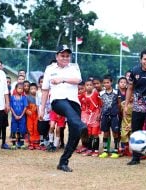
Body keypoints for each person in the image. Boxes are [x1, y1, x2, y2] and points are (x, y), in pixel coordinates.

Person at [39, 44, 88, 172]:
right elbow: (45, 90)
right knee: (68, 111)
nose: (65, 58)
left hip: (74, 102)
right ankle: (81, 125)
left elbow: (78, 80)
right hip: (58, 101)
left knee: (75, 133)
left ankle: (63, 162)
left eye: (67, 56)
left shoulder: (74, 67)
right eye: (62, 55)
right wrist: (42, 108)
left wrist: (62, 79)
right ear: (57, 56)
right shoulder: (49, 69)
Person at [98, 75, 119, 159]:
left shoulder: (116, 92)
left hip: (114, 115)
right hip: (105, 116)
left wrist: (118, 113)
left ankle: (116, 150)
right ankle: (106, 150)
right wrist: (100, 115)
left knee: (115, 133)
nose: (106, 84)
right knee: (106, 133)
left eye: (108, 82)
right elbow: (100, 105)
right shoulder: (101, 93)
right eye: (104, 83)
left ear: (111, 82)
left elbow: (119, 103)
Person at [80, 78, 102, 157]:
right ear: (85, 86)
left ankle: (95, 150)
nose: (89, 86)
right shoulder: (83, 94)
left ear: (93, 86)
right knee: (88, 133)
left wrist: (99, 114)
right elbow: (80, 102)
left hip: (95, 116)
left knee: (95, 133)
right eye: (87, 85)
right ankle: (89, 149)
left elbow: (100, 104)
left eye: (90, 85)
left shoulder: (96, 94)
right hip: (87, 117)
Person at [10, 83, 28, 149]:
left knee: (22, 130)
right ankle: (14, 144)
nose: (21, 90)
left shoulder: (24, 98)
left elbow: (25, 107)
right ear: (16, 89)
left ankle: (21, 144)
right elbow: (11, 107)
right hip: (14, 118)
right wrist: (15, 115)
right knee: (13, 130)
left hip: (22, 118)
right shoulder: (12, 97)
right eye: (19, 88)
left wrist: (21, 115)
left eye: (22, 89)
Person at [26, 83, 39, 150]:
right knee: (30, 128)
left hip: (37, 115)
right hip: (30, 116)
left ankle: (36, 143)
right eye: (31, 89)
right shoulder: (27, 97)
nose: (33, 90)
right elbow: (25, 106)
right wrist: (27, 111)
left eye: (34, 89)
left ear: (37, 89)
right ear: (29, 90)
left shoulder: (39, 96)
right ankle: (30, 143)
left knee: (36, 128)